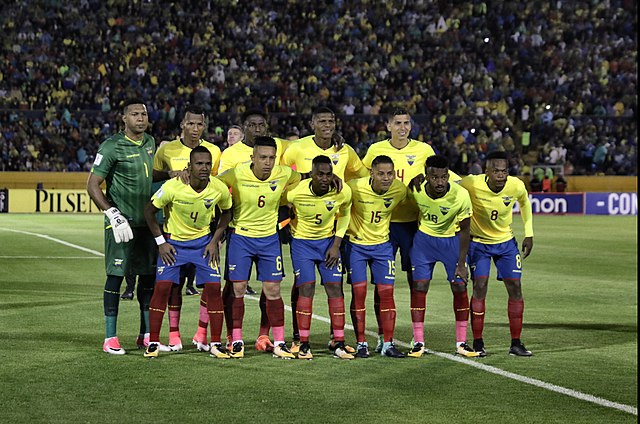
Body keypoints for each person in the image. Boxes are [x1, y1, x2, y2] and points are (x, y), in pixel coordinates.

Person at [361, 108, 460, 353]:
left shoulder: (424, 150)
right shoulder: (375, 150)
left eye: (406, 123)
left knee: (415, 279)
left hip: (412, 223)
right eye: (397, 123)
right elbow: (365, 180)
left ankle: (417, 337)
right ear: (388, 126)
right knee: (382, 283)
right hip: (383, 223)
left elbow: (443, 176)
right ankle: (384, 336)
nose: (402, 127)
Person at [282, 106, 367, 353]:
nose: (327, 125)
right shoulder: (296, 148)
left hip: (331, 232)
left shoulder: (345, 150)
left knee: (335, 285)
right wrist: (286, 220)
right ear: (312, 123)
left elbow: (361, 175)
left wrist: (344, 187)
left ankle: (337, 338)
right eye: (322, 120)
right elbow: (283, 175)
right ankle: (300, 337)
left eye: (331, 120)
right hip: (303, 232)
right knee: (303, 285)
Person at [143, 146, 232, 359]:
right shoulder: (173, 186)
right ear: (189, 167)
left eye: (207, 164)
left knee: (213, 289)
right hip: (174, 246)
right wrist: (161, 242)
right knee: (162, 288)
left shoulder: (218, 188)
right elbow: (148, 211)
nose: (204, 168)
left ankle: (216, 344)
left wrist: (215, 241)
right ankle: (153, 342)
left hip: (203, 246)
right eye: (199, 164)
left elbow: (227, 212)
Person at [217, 136, 301, 359]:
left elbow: (303, 178)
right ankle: (236, 340)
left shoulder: (284, 173)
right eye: (263, 157)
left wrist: (289, 199)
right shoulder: (236, 173)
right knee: (238, 289)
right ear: (252, 157)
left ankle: (280, 342)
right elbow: (213, 183)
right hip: (241, 237)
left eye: (272, 157)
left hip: (269, 239)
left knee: (273, 290)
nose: (267, 162)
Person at [86, 98, 158, 355]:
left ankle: (146, 334)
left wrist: (171, 174)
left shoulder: (150, 143)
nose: (141, 118)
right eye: (135, 114)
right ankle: (110, 338)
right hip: (121, 224)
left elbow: (149, 173)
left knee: (148, 279)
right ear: (124, 119)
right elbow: (92, 185)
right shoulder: (111, 146)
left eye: (144, 113)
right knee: (116, 278)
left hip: (147, 224)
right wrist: (112, 213)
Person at [152, 105, 223, 352]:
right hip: (175, 230)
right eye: (191, 123)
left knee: (209, 285)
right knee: (174, 286)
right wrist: (168, 174)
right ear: (182, 124)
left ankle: (202, 334)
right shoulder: (167, 149)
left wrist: (216, 236)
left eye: (200, 124)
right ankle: (173, 335)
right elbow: (152, 176)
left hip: (205, 231)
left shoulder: (213, 151)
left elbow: (217, 186)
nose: (195, 128)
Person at [460, 151, 534, 357]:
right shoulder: (471, 183)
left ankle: (516, 343)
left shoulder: (516, 185)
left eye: (504, 171)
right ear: (487, 171)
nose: (501, 175)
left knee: (516, 287)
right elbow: (450, 181)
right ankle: (478, 342)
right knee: (480, 287)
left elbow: (525, 202)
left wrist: (529, 234)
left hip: (505, 243)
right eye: (496, 171)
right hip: (479, 244)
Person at [408, 155, 478, 358]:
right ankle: (418, 342)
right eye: (434, 177)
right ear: (426, 175)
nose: (440, 182)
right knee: (420, 286)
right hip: (424, 243)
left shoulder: (461, 195)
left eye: (444, 177)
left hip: (451, 242)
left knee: (459, 285)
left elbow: (466, 230)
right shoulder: (416, 188)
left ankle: (462, 342)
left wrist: (462, 263)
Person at [286, 155, 354, 360]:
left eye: (328, 174)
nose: (324, 178)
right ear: (311, 175)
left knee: (335, 287)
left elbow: (345, 214)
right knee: (307, 287)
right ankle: (303, 343)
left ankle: (339, 342)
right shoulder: (295, 192)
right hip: (302, 245)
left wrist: (336, 244)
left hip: (327, 244)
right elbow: (281, 202)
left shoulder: (342, 192)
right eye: (320, 174)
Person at [345, 155, 407, 358]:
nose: (386, 178)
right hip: (357, 246)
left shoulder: (399, 190)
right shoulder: (354, 187)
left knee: (387, 294)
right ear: (371, 173)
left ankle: (387, 343)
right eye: (381, 173)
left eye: (390, 173)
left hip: (383, 247)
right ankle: (361, 342)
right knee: (359, 293)